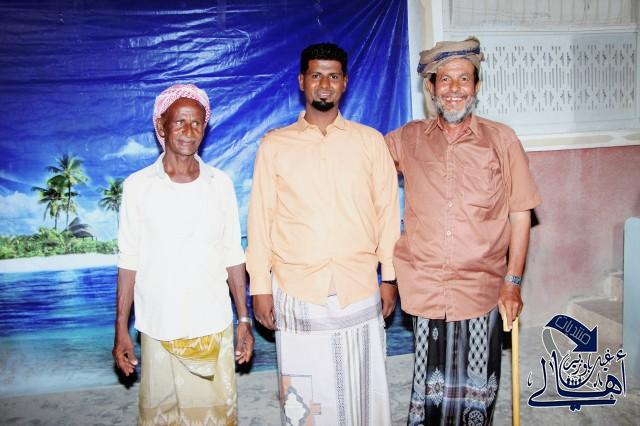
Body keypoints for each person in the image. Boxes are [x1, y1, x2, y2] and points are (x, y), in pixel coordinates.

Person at [385, 37, 541, 425]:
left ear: (477, 86)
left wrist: (513, 283)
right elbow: (363, 163)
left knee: (476, 394)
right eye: (445, 80)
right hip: (426, 288)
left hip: (481, 290)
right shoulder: (407, 139)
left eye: (464, 79)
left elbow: (520, 215)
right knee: (428, 395)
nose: (454, 89)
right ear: (430, 88)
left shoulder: (501, 140)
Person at [246, 43, 400, 425]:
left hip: (357, 288)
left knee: (364, 395)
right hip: (297, 292)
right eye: (316, 75)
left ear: (345, 83)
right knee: (305, 403)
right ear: (302, 81)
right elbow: (260, 219)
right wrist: (259, 287)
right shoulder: (275, 145)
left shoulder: (370, 142)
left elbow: (387, 213)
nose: (325, 84)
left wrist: (390, 277)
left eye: (333, 76)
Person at [112, 83, 253, 425]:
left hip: (211, 325)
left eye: (197, 123)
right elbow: (128, 261)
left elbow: (232, 254)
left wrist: (244, 320)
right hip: (157, 327)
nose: (190, 131)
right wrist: (120, 329)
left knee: (213, 418)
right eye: (180, 122)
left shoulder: (219, 184)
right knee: (161, 418)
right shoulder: (138, 187)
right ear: (161, 127)